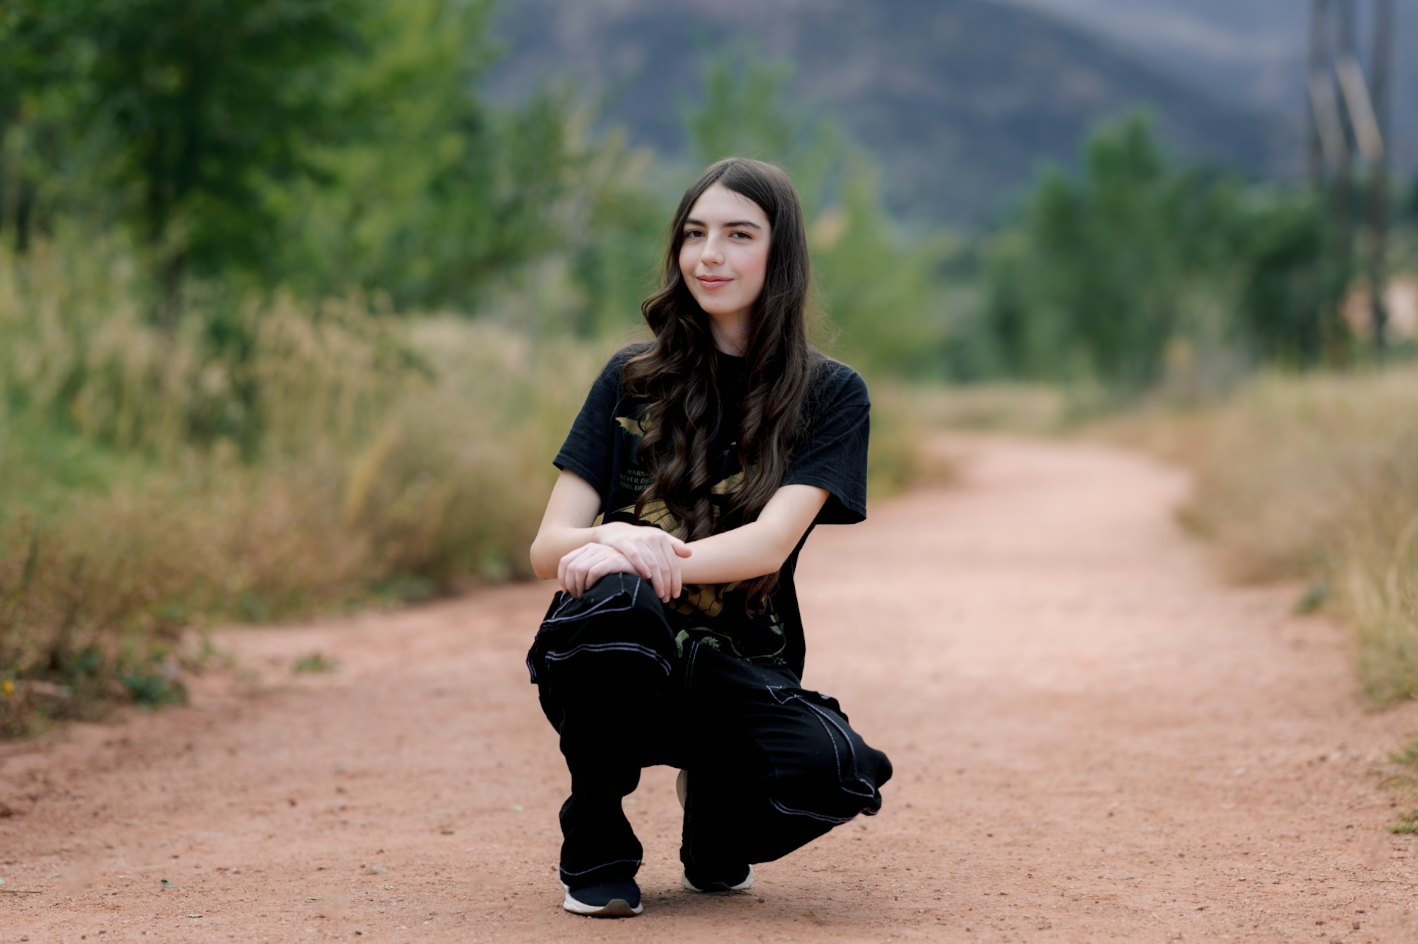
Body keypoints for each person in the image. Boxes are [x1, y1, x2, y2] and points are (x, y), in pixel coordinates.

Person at [527, 157, 892, 918]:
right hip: (616, 651)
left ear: (780, 254)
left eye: (737, 234)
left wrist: (640, 545)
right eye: (694, 234)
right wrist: (622, 548)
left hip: (738, 663)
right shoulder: (631, 378)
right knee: (616, 600)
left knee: (841, 773)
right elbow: (547, 545)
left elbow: (766, 545)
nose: (710, 255)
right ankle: (594, 835)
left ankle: (717, 801)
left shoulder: (830, 395)